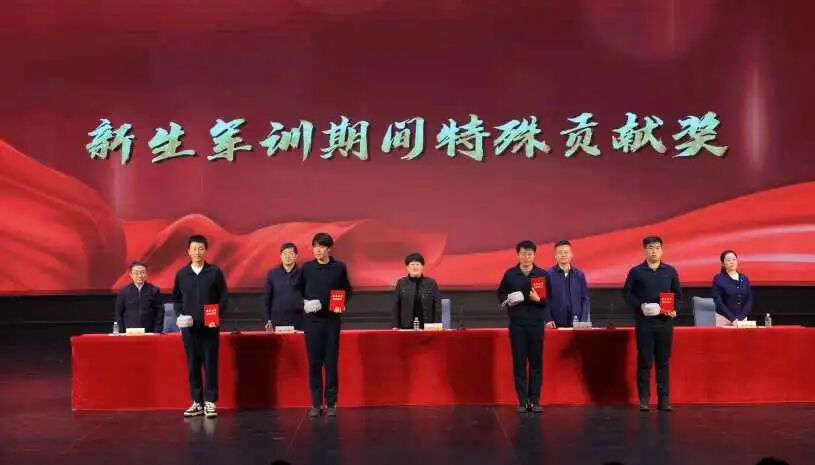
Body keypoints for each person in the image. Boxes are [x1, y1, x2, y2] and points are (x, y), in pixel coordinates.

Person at [172, 234, 229, 419]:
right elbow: (176, 298)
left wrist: (217, 314)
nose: (197, 252)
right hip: (189, 329)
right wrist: (180, 314)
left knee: (210, 364)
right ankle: (197, 401)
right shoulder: (182, 274)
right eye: (194, 249)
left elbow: (224, 297)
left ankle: (210, 401)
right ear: (188, 251)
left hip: (210, 328)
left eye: (201, 249)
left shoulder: (214, 272)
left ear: (206, 250)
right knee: (192, 365)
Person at [623, 235, 681, 412]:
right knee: (645, 361)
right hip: (645, 323)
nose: (654, 251)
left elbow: (678, 295)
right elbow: (627, 294)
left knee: (663, 362)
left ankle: (664, 400)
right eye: (650, 248)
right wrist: (640, 306)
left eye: (657, 248)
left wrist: (674, 309)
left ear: (662, 250)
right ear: (644, 250)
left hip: (665, 323)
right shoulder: (636, 272)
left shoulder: (670, 271)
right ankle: (644, 399)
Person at [299, 232, 353, 418]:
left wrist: (343, 303)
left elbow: (347, 290)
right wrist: (304, 303)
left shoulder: (339, 268)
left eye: (321, 247)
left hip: (331, 321)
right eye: (315, 246)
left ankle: (331, 403)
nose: (318, 250)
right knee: (314, 363)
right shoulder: (307, 268)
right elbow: (298, 291)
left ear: (329, 249)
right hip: (312, 322)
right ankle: (316, 403)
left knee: (331, 363)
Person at [497, 240, 552, 414]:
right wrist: (508, 300)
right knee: (519, 363)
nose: (526, 257)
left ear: (534, 255)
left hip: (536, 325)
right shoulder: (510, 274)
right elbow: (500, 294)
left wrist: (539, 300)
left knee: (536, 363)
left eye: (529, 254)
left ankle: (535, 400)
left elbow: (548, 301)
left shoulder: (542, 274)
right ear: (518, 255)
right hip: (517, 325)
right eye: (523, 254)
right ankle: (522, 401)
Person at [546, 240, 591, 328]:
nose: (563, 255)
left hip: (577, 323)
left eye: (566, 252)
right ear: (555, 255)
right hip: (555, 324)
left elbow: (585, 299)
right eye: (560, 252)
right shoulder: (547, 275)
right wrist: (548, 319)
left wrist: (584, 320)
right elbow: (544, 300)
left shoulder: (579, 275)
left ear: (571, 254)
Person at [392, 252, 441, 329]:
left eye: (418, 264)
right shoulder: (401, 283)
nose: (415, 267)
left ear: (422, 266)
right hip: (406, 327)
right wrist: (395, 326)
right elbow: (396, 306)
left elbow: (437, 306)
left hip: (427, 327)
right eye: (412, 264)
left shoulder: (431, 283)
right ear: (407, 267)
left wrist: (436, 326)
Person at [262, 242, 304, 330]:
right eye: (285, 253)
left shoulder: (303, 274)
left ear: (296, 256)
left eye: (291, 253)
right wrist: (267, 320)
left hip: (299, 320)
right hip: (277, 320)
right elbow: (266, 300)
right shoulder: (273, 274)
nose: (287, 256)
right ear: (280, 256)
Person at [114, 261, 163, 333]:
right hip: (129, 332)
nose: (140, 275)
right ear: (131, 275)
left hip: (149, 331)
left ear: (146, 274)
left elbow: (159, 312)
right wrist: (121, 331)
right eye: (136, 273)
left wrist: (157, 330)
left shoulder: (154, 290)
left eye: (142, 272)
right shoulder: (124, 291)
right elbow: (118, 313)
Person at [711, 249, 754, 326]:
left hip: (742, 320)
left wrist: (741, 318)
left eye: (734, 259)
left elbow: (749, 300)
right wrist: (732, 319)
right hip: (724, 319)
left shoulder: (744, 278)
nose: (732, 262)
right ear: (723, 263)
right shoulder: (718, 279)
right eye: (728, 260)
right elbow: (718, 302)